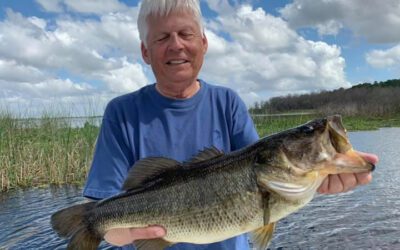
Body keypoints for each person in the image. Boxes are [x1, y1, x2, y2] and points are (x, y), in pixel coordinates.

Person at [83, 0, 379, 249]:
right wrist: (115, 231)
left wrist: (315, 183)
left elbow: (263, 177)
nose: (176, 45)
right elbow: (105, 208)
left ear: (203, 43)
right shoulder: (120, 112)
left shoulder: (228, 102)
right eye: (162, 38)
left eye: (186, 33)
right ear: (145, 52)